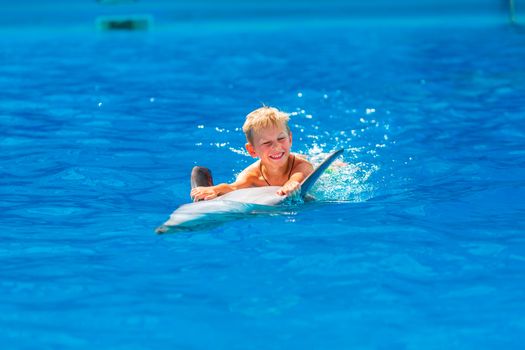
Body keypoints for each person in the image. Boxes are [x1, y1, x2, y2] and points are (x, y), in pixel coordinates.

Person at [190, 106, 314, 201]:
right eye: (267, 143)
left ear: (290, 139)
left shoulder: (300, 165)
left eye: (281, 139)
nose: (276, 146)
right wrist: (214, 189)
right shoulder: (252, 175)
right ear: (252, 150)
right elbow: (233, 187)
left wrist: (291, 184)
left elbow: (299, 176)